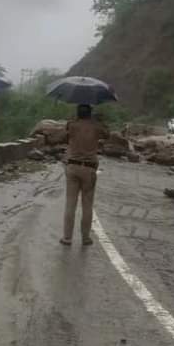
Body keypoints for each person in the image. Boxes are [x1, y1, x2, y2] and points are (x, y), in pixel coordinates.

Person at [61, 104, 109, 246]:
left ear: (78, 113)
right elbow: (108, 135)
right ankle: (85, 238)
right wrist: (100, 121)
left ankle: (67, 238)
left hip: (73, 166)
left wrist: (74, 120)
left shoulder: (72, 125)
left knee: (70, 204)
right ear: (90, 113)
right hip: (89, 169)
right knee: (87, 205)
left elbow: (65, 136)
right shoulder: (97, 126)